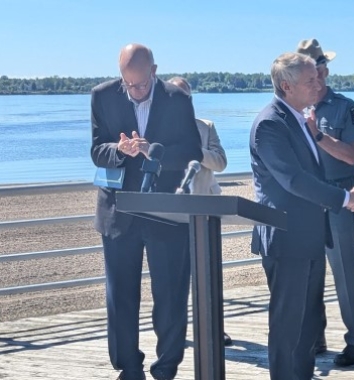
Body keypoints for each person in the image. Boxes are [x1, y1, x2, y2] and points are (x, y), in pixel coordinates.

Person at [249, 52, 354, 380]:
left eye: (318, 77)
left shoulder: (298, 117)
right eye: (311, 80)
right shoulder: (270, 123)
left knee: (306, 328)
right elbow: (293, 180)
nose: (319, 83)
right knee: (288, 327)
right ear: (287, 86)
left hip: (308, 236)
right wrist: (346, 198)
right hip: (286, 238)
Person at [90, 43, 203, 380]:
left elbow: (191, 152)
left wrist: (151, 150)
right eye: (128, 84)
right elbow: (97, 150)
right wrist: (120, 149)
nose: (135, 91)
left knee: (170, 296)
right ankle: (129, 368)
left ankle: (166, 367)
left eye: (140, 84)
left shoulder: (177, 99)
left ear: (154, 71)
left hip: (164, 211)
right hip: (118, 211)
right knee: (120, 297)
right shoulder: (102, 96)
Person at [295, 38, 354, 367]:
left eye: (315, 71)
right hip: (308, 200)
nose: (313, 78)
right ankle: (315, 336)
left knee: (345, 273)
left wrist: (319, 136)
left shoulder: (344, 106)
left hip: (340, 197)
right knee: (309, 273)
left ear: (324, 70)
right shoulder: (294, 110)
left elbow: (353, 155)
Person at [167, 76, 232, 347]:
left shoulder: (206, 127)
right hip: (172, 214)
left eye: (186, 96)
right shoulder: (159, 129)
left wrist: (197, 151)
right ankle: (176, 331)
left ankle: (215, 328)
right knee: (174, 275)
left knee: (208, 274)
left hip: (205, 212)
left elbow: (221, 163)